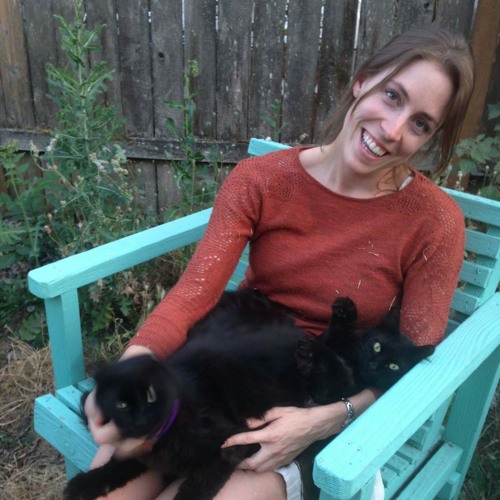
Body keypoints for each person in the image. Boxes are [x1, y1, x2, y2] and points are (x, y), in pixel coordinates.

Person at [84, 26, 475, 500]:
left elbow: (414, 361)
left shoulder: (433, 221)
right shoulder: (262, 180)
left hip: (316, 402)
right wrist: (130, 370)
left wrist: (325, 420)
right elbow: (193, 296)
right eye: (392, 95)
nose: (393, 130)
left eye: (420, 124)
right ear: (363, 80)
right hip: (219, 374)